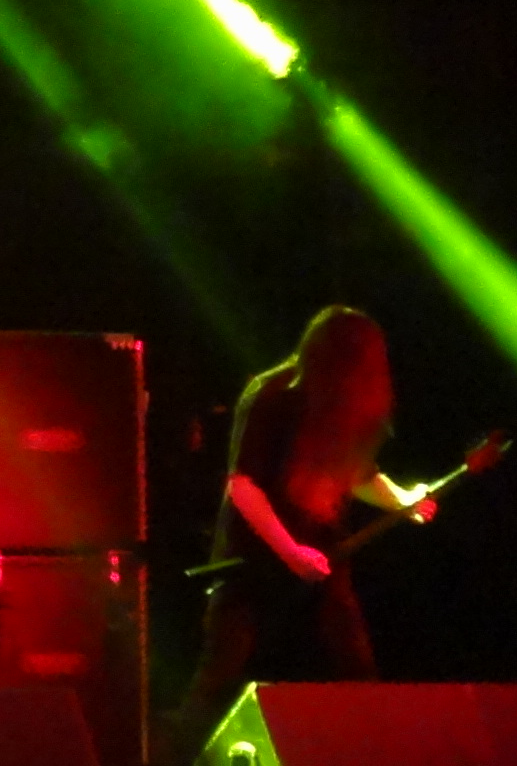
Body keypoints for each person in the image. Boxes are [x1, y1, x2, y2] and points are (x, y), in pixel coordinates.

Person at [156, 306, 434, 765]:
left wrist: (403, 501)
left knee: (357, 671)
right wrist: (290, 551)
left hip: (323, 559)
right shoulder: (271, 395)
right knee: (218, 678)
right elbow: (242, 486)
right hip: (251, 563)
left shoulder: (341, 403)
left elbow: (357, 474)